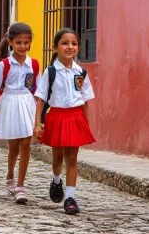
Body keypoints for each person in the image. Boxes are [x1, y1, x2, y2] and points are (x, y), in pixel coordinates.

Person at [34, 28, 96, 215]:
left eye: (74, 43)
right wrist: (37, 124)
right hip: (56, 117)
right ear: (55, 47)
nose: (70, 47)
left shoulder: (81, 73)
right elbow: (41, 99)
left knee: (72, 159)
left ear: (78, 47)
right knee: (57, 158)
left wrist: (86, 122)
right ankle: (56, 180)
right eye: (65, 43)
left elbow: (85, 99)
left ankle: (70, 198)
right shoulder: (50, 72)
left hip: (75, 117)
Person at [0, 23, 41, 203]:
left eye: (26, 43)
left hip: (27, 103)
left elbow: (38, 90)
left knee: (26, 143)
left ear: (30, 43)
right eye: (18, 42)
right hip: (10, 104)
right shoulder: (4, 65)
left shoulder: (33, 64)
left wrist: (37, 118)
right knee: (13, 146)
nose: (22, 46)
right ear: (10, 42)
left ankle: (20, 186)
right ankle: (10, 173)